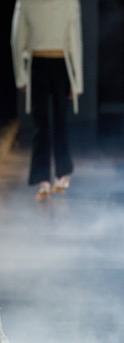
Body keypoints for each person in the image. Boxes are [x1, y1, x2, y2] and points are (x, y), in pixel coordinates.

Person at [10, 0, 83, 201]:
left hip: (45, 64)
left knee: (46, 122)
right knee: (52, 121)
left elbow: (17, 39)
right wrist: (76, 82)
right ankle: (55, 175)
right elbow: (74, 40)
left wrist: (21, 76)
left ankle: (49, 176)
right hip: (51, 64)